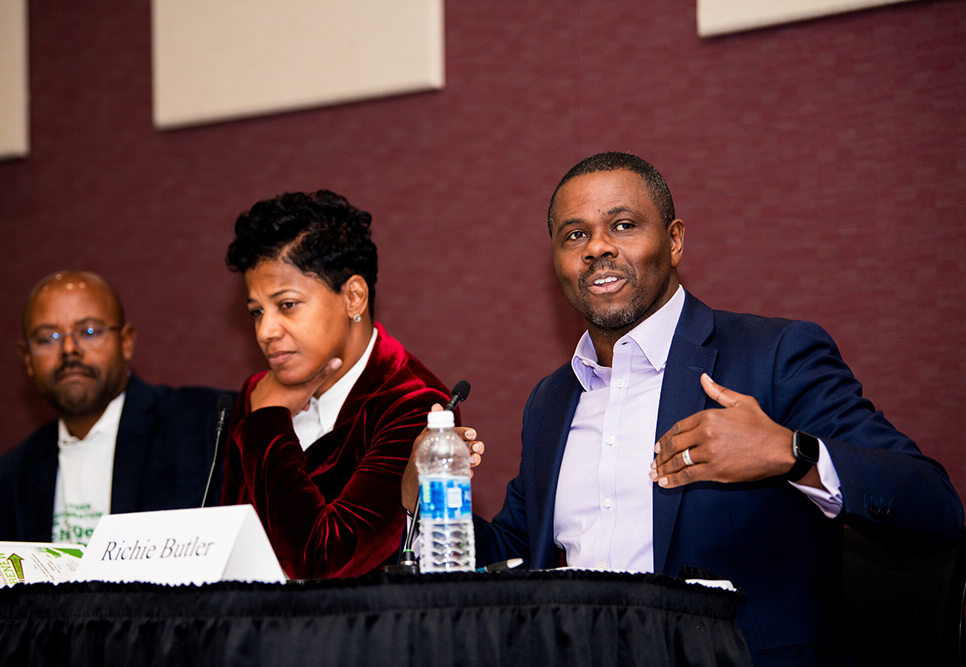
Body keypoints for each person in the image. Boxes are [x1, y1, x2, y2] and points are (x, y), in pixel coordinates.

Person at [402, 152, 963, 665]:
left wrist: (791, 453)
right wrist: (424, 503)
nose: (597, 246)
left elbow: (934, 504)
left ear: (673, 241)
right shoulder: (551, 401)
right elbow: (517, 556)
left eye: (623, 225)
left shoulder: (772, 357)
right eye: (575, 234)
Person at [220, 189, 451, 580]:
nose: (265, 331)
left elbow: (326, 564)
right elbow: (221, 542)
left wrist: (269, 424)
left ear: (354, 297)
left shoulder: (416, 405)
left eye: (287, 305)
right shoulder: (258, 393)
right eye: (257, 311)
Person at [0, 271, 232, 544]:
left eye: (89, 332)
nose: (69, 349)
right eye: (48, 338)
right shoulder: (6, 478)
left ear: (126, 342)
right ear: (27, 359)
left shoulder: (205, 427)